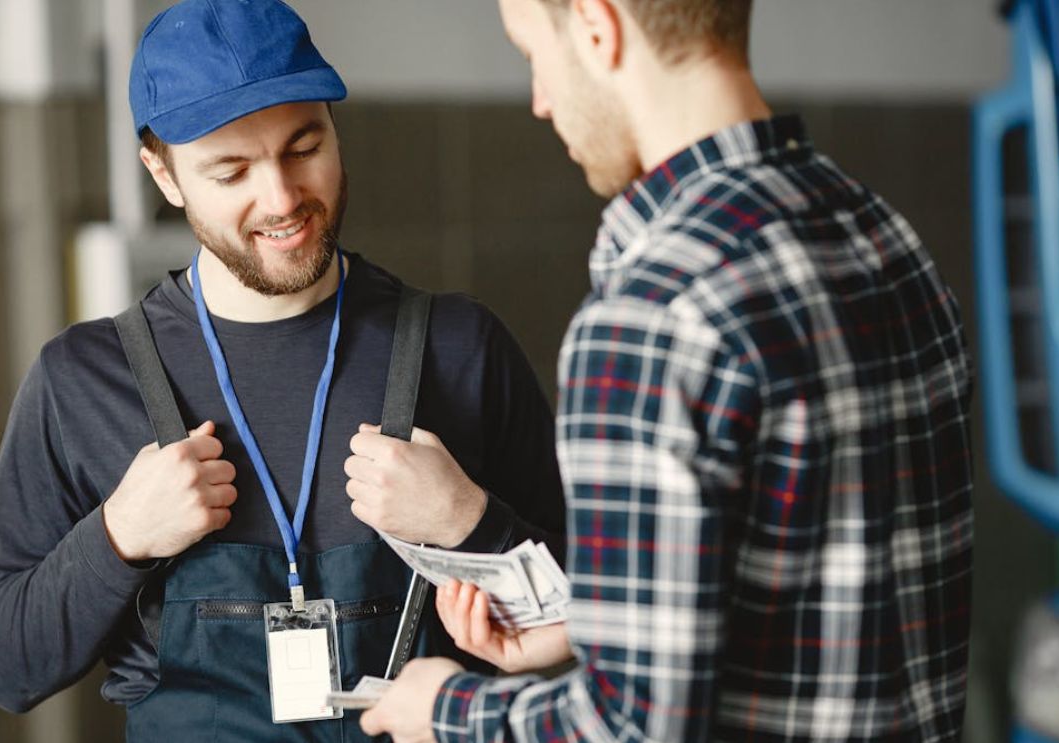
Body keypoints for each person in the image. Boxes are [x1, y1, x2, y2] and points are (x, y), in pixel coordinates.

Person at [356, 0, 975, 741]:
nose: (540, 101)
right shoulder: (880, 234)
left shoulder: (653, 311)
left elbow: (633, 728)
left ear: (595, 26)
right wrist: (589, 624)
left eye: (532, 55)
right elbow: (815, 582)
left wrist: (447, 707)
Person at [0, 1, 564, 740]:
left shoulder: (461, 347)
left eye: (304, 146)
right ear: (164, 174)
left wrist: (472, 522)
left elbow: (602, 617)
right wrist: (116, 536)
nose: (280, 199)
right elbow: (2, 664)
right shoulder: (82, 377)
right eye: (231, 170)